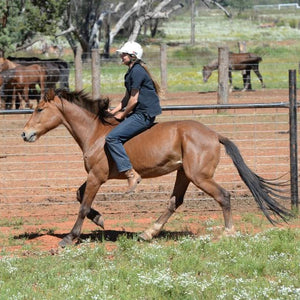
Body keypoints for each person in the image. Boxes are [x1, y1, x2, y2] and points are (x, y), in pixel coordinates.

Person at [105, 41, 162, 193]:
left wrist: (122, 114)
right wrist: (113, 111)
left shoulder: (137, 72)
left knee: (112, 138)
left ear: (133, 56)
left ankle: (130, 173)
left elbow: (134, 100)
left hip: (143, 114)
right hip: (138, 112)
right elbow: (126, 98)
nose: (121, 56)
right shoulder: (131, 72)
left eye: (124, 54)